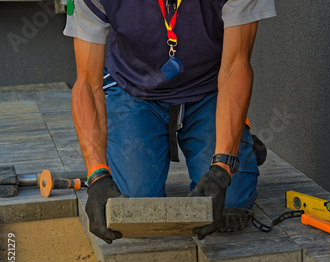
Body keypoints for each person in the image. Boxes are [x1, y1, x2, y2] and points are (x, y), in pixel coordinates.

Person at [63, 0, 276, 243]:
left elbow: (236, 67)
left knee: (230, 203)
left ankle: (239, 142)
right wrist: (97, 177)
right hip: (134, 89)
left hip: (209, 87)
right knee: (134, 208)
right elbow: (88, 85)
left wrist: (223, 168)